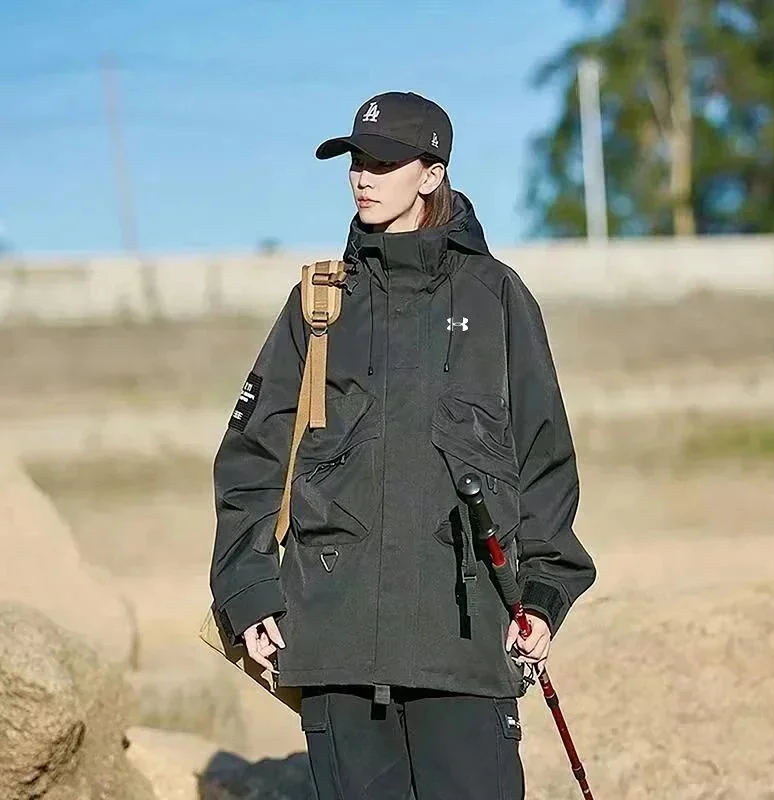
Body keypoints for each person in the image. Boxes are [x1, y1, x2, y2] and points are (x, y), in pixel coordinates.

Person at [209, 91, 596, 800]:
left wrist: (542, 596)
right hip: (336, 643)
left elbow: (545, 459)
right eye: (356, 160)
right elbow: (251, 457)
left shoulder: (496, 297)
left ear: (431, 173)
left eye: (383, 163)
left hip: (465, 642)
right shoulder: (317, 304)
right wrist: (247, 589)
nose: (362, 177)